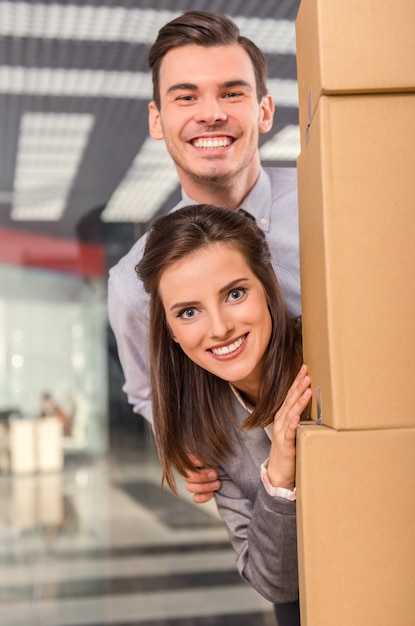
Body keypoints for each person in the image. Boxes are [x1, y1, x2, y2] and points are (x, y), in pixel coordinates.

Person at [108, 10, 300, 503]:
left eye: (232, 93)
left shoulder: (331, 205)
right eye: (186, 96)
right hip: (273, 501)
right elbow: (148, 391)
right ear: (157, 119)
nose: (210, 113)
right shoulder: (133, 283)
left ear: (264, 110)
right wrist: (181, 447)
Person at [136, 204, 311, 626]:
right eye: (188, 312)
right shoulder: (204, 429)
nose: (219, 328)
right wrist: (280, 477)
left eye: (235, 294)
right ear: (173, 333)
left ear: (267, 288)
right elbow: (274, 583)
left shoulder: (328, 357)